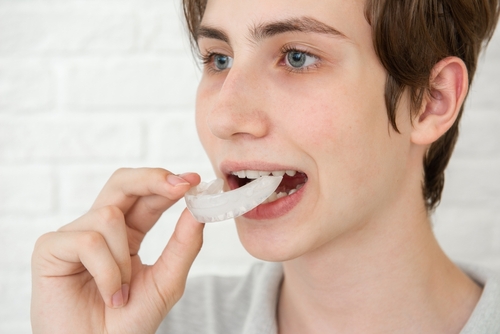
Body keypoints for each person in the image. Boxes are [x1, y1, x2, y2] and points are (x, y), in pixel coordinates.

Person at [31, 0, 500, 333]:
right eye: (219, 59)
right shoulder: (146, 325)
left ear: (430, 101)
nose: (224, 117)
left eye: (297, 57)